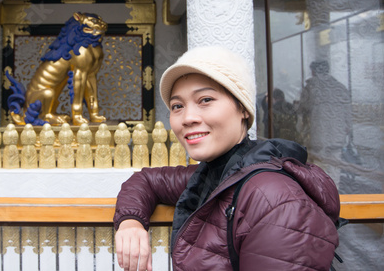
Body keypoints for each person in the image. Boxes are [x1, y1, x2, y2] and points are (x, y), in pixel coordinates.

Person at [113, 46, 340, 271]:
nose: (188, 118)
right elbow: (146, 180)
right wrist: (130, 223)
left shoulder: (274, 199)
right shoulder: (219, 175)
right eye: (177, 106)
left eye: (205, 100)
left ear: (242, 108)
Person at [297, 60, 352, 185]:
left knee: (318, 171)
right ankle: (335, 197)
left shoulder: (311, 87)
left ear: (314, 71)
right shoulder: (340, 87)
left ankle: (322, 201)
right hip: (337, 138)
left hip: (318, 137)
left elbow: (302, 110)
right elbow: (348, 116)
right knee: (334, 170)